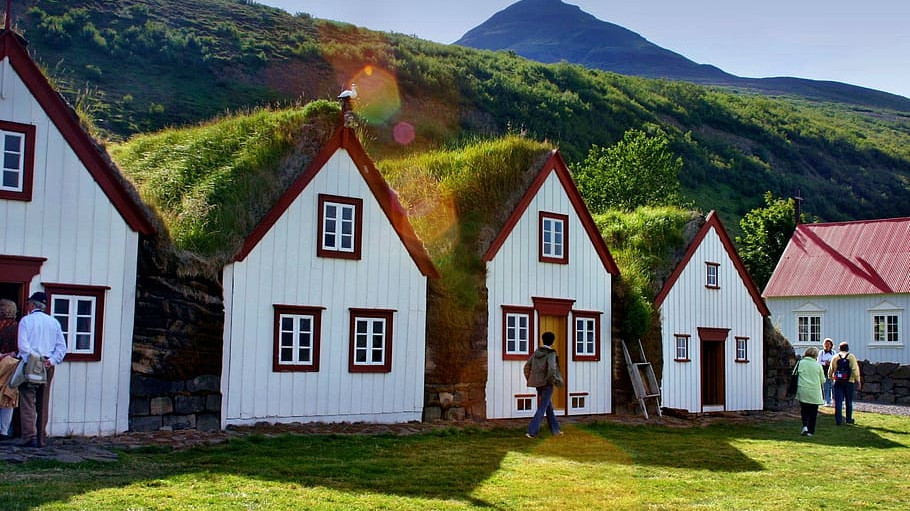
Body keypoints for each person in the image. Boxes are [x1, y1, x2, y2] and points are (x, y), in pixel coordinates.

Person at [17, 292, 67, 448]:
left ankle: (29, 436)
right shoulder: (54, 322)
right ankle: (41, 437)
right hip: (47, 364)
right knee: (43, 400)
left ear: (32, 305)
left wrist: (33, 359)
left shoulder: (26, 321)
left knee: (27, 399)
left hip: (31, 363)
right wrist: (51, 361)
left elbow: (23, 346)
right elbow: (61, 347)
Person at [523, 331, 564, 438]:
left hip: (538, 384)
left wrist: (532, 379)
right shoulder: (551, 353)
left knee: (548, 407)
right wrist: (550, 381)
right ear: (553, 341)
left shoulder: (536, 353)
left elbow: (526, 367)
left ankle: (556, 430)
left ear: (543, 340)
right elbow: (551, 369)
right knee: (542, 407)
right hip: (547, 384)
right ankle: (531, 432)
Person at [828, 341, 861, 426]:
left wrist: (831, 378)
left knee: (838, 402)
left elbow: (831, 369)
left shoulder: (835, 357)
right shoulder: (851, 357)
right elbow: (854, 369)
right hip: (849, 382)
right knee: (848, 401)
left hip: (838, 382)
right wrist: (858, 380)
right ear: (847, 348)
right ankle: (849, 419)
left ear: (839, 348)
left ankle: (838, 420)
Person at [0, 298, 20, 440]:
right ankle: (4, 430)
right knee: (8, 396)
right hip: (13, 364)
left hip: (6, 363)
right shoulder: (19, 327)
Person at [794, 347, 826, 436]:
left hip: (803, 389)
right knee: (813, 412)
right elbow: (822, 380)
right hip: (815, 391)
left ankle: (805, 426)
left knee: (804, 410)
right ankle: (811, 431)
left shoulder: (800, 363)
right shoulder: (818, 365)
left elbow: (794, 374)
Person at [818, 338, 836, 406]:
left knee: (833, 386)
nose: (827, 345)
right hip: (824, 370)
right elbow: (818, 362)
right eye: (826, 344)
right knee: (826, 387)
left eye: (828, 344)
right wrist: (825, 363)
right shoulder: (821, 353)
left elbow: (836, 361)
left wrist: (831, 363)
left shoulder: (834, 352)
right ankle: (827, 401)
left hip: (832, 371)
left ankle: (834, 401)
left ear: (831, 345)